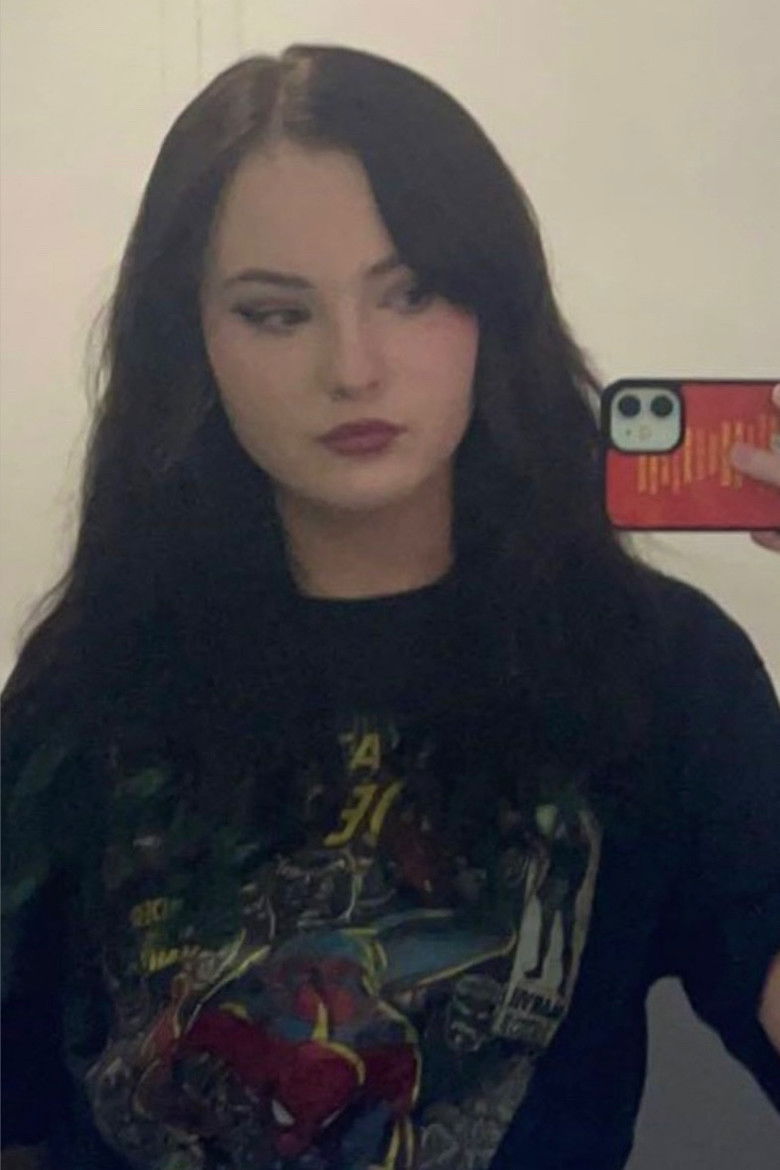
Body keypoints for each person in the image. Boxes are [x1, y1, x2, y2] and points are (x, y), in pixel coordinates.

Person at [1, 44, 778, 1170]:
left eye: (411, 293)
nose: (354, 367)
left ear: (492, 310)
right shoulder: (91, 678)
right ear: (193, 341)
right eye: (277, 314)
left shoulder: (658, 671)